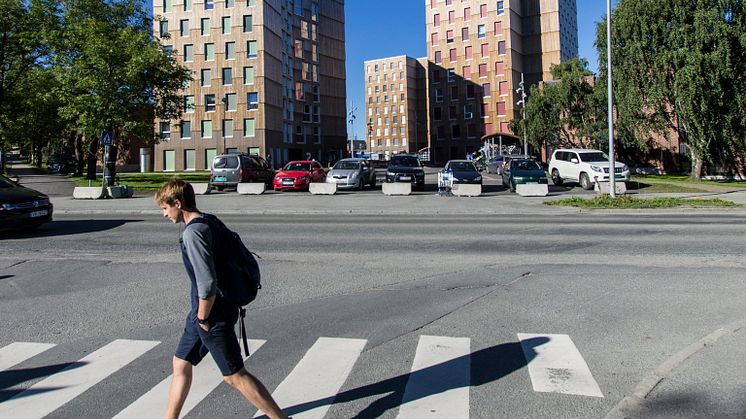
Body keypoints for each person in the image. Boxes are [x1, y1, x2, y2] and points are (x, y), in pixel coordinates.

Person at [155, 178, 288, 419]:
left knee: (234, 375)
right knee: (181, 363)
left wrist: (203, 318)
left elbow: (207, 284)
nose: (164, 214)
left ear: (177, 203)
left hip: (211, 313)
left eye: (165, 208)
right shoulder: (208, 220)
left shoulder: (193, 233)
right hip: (203, 312)